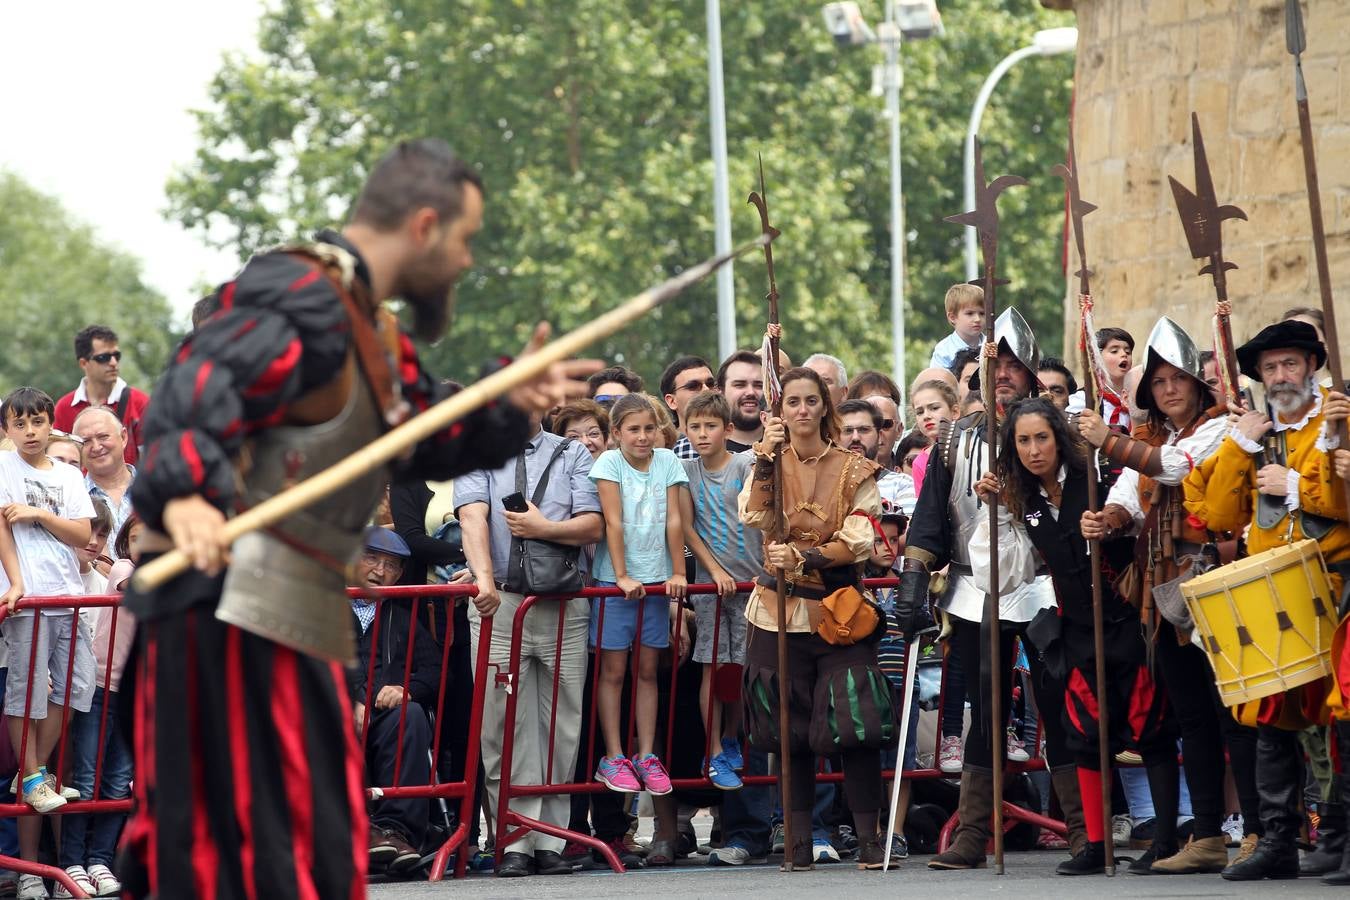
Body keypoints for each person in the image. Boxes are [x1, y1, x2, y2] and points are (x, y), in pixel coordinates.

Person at [117, 138, 586, 899]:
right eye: (466, 240)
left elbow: (420, 433)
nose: (467, 263)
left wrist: (506, 408)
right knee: (210, 859)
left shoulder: (370, 333)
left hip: (296, 621)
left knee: (315, 859)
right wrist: (184, 491)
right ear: (425, 226)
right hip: (221, 617)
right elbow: (197, 381)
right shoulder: (298, 293)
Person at [896, 308, 1082, 870]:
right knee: (987, 708)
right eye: (992, 363)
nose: (1001, 374)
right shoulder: (954, 441)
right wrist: (911, 581)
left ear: (1028, 374)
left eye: (1011, 366)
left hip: (1045, 587)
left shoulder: (1053, 437)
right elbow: (931, 517)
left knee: (1057, 702)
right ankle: (974, 833)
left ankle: (1083, 830)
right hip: (977, 590)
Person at [973, 398, 1173, 875]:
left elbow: (1138, 512)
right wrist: (997, 510)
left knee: (1152, 730)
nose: (1033, 449)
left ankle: (1167, 841)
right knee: (1084, 733)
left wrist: (1110, 522)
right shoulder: (1020, 498)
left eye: (1041, 437)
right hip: (1077, 631)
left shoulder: (1098, 475)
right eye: (1022, 440)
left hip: (1129, 622)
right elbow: (1002, 574)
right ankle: (1095, 845)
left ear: (1058, 438)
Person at [1183, 319, 1350, 881]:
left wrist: (1298, 487)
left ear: (1311, 366)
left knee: (1344, 711)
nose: (1281, 376)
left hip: (1338, 584)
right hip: (1274, 590)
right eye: (1272, 367)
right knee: (1271, 713)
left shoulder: (1338, 419)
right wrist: (1240, 447)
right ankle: (1277, 841)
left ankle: (1340, 837)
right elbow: (1215, 514)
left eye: (1291, 364)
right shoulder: (1254, 431)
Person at [1077, 316, 1239, 875]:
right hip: (1164, 596)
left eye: (1178, 380)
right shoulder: (1150, 438)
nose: (1169, 390)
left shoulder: (1222, 428)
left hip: (1216, 586)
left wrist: (1108, 441)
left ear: (1197, 383)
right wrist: (1108, 519)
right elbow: (1131, 495)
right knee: (1192, 716)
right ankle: (1209, 837)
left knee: (1237, 716)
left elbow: (1176, 469)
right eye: (1159, 383)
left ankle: (1268, 831)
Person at [738, 366, 895, 871]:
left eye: (810, 401)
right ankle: (799, 842)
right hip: (776, 613)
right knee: (787, 728)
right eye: (792, 402)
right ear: (779, 412)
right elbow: (754, 515)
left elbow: (861, 537)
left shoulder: (853, 467)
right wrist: (766, 455)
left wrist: (805, 558)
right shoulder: (767, 461)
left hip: (839, 611)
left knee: (856, 723)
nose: (801, 410)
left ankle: (870, 839)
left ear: (824, 407)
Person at [456, 409, 602, 878]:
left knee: (561, 725)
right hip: (499, 604)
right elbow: (472, 516)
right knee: (501, 727)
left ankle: (551, 842)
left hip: (564, 604)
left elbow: (592, 525)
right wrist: (483, 583)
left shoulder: (573, 451)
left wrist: (543, 530)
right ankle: (512, 839)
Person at [0, 387, 96, 900]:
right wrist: (15, 584)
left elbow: (84, 534)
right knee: (27, 693)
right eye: (21, 423)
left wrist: (38, 515)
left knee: (79, 687)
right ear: (7, 429)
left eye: (39, 421)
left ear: (50, 424)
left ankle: (31, 773)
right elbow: (2, 530)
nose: (32, 430)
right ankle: (34, 776)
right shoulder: (4, 468)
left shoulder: (66, 475)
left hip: (71, 595)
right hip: (29, 599)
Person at [589, 393, 687, 799]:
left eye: (650, 428)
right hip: (616, 583)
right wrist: (623, 575)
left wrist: (678, 571)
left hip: (658, 582)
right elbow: (613, 521)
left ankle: (646, 754)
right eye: (634, 429)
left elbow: (675, 518)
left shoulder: (667, 461)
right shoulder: (609, 463)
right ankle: (613, 755)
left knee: (648, 670)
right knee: (613, 672)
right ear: (616, 433)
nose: (643, 437)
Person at [346, 528, 441, 875]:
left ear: (400, 575)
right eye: (371, 558)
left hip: (384, 716)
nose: (380, 571)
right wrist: (353, 697)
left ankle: (396, 832)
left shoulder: (402, 617)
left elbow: (434, 670)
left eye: (391, 565)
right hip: (337, 708)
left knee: (412, 715)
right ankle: (352, 828)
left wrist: (408, 689)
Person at [677, 392, 760, 793]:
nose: (702, 434)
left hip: (752, 582)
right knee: (711, 665)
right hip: (711, 586)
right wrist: (713, 571)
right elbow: (687, 527)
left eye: (711, 426)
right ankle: (711, 751)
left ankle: (731, 737)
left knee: (741, 668)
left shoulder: (744, 463)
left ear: (727, 429)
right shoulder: (685, 472)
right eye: (695, 426)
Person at [52, 325, 150, 465]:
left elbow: (152, 461)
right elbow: (58, 462)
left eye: (116, 355)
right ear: (84, 363)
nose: (113, 363)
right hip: (80, 486)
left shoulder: (139, 403)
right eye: (103, 357)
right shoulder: (64, 407)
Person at [74, 406, 135, 537]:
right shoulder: (73, 497)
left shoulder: (155, 489)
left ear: (123, 437)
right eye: (86, 441)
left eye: (103, 437)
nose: (96, 447)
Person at [661, 356, 716, 460]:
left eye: (710, 384)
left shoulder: (734, 444)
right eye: (693, 386)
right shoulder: (660, 451)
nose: (706, 390)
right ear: (672, 401)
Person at [715, 350, 766, 451]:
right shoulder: (704, 451)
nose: (750, 392)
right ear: (720, 392)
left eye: (758, 385)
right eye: (740, 385)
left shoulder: (785, 448)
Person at [930, 283, 986, 370]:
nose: (977, 319)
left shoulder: (992, 345)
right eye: (970, 313)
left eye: (982, 313)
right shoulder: (944, 351)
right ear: (952, 317)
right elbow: (937, 382)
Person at [1096, 327, 1135, 430]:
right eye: (1114, 351)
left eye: (1128, 352)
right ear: (1096, 358)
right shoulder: (1084, 399)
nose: (1124, 355)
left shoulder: (1139, 399)